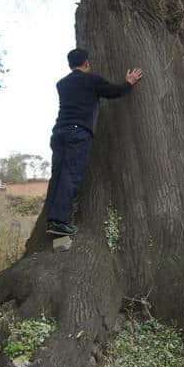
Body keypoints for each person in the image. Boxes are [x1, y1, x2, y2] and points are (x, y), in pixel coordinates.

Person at [44, 48, 143, 236]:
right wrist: (129, 82)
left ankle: (52, 219)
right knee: (70, 175)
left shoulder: (62, 84)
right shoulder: (92, 80)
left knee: (57, 175)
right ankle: (59, 221)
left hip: (59, 133)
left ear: (70, 65)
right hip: (78, 132)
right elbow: (113, 92)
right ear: (87, 63)